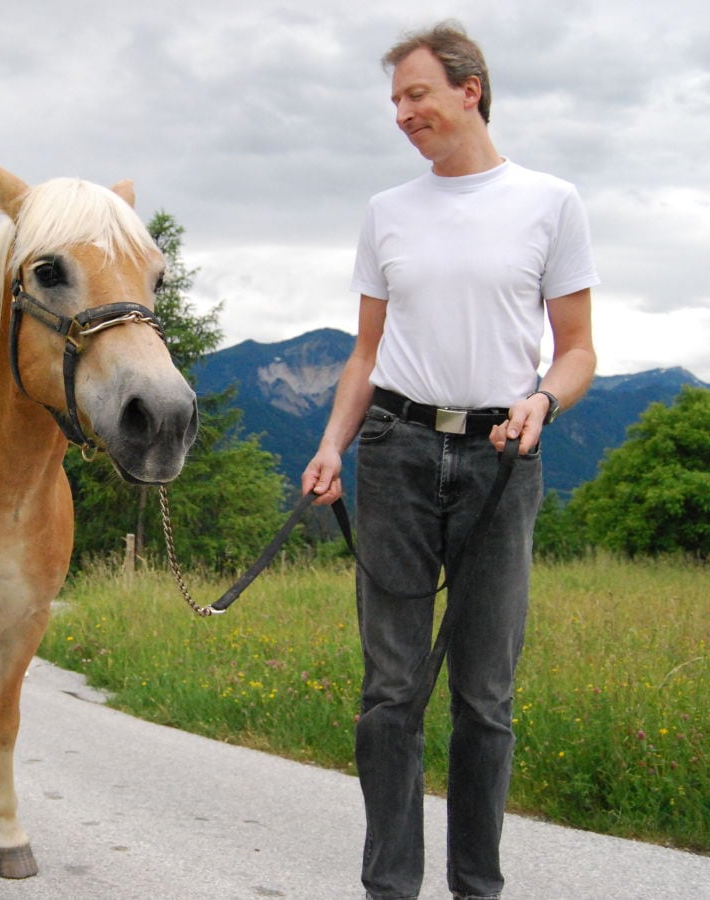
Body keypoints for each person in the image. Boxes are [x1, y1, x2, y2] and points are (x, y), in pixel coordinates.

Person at [299, 22, 597, 900]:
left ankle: (478, 888)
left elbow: (577, 349)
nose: (402, 114)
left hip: (501, 461)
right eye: (395, 100)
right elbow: (365, 352)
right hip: (393, 451)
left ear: (471, 89)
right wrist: (329, 449)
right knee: (390, 691)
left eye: (416, 94)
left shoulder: (551, 203)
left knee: (485, 698)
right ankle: (390, 888)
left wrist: (543, 400)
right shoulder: (387, 212)